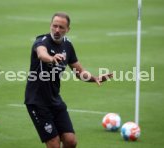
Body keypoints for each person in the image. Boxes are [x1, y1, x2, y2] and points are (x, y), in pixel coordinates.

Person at [24, 12, 112, 148]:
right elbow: (42, 54)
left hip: (54, 100)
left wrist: (94, 78)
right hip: (37, 101)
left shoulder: (67, 45)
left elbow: (79, 72)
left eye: (61, 27)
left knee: (71, 141)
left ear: (68, 29)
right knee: (54, 144)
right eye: (54, 26)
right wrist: (52, 59)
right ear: (50, 26)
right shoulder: (41, 42)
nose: (57, 30)